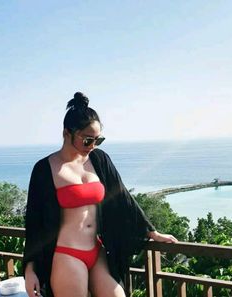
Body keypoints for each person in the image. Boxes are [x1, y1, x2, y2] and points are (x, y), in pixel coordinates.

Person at [23, 92, 178, 297]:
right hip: (66, 254)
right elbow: (34, 221)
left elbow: (122, 197)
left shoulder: (99, 160)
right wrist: (29, 270)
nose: (93, 146)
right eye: (88, 140)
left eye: (98, 140)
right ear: (67, 133)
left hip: (97, 251)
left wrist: (151, 231)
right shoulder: (45, 169)